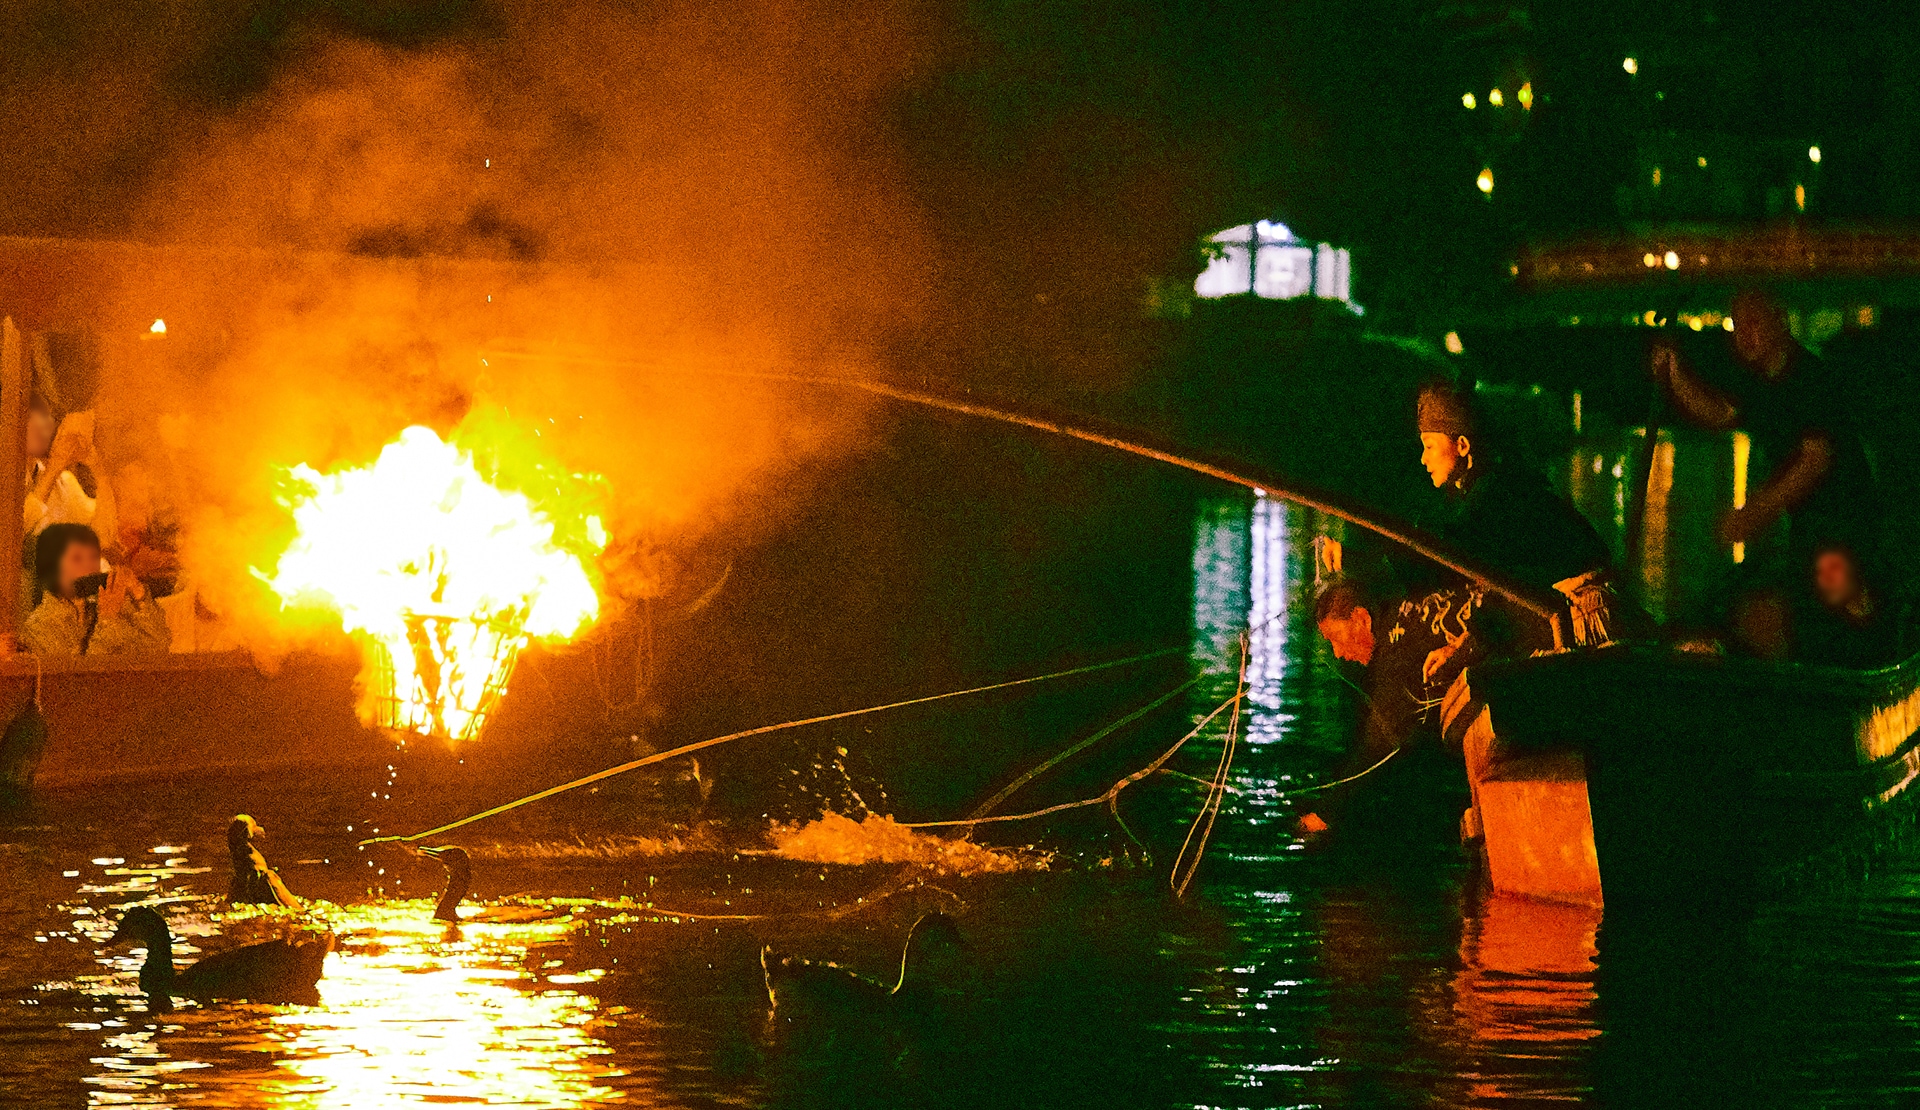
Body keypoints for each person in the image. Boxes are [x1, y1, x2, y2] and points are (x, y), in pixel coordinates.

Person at [1651, 289, 1879, 559]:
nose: (1744, 336)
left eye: (1754, 323)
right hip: (1807, 523)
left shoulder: (1808, 378)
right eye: (1738, 326)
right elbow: (1719, 413)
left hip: (1844, 521)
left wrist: (1755, 514)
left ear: (1780, 322)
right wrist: (1675, 375)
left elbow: (1815, 460)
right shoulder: (1761, 380)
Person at [1414, 381, 1620, 661]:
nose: (1423, 459)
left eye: (1429, 446)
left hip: (1585, 615)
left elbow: (1475, 568)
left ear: (1462, 445)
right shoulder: (1494, 486)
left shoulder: (1499, 497)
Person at [1296, 577, 1479, 837]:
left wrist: (1326, 813)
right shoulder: (1399, 614)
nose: (1337, 653)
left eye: (1335, 638)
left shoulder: (1396, 653)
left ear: (1361, 619)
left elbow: (1381, 744)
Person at [20, 524, 170, 656]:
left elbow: (158, 648)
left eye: (93, 557)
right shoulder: (40, 628)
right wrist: (107, 621)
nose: (90, 567)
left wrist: (140, 595)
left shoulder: (104, 605)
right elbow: (83, 676)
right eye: (77, 559)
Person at [1795, 543, 1904, 669]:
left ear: (1853, 568)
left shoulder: (1896, 610)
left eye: (1834, 567)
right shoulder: (1824, 635)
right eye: (1820, 573)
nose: (1827, 578)